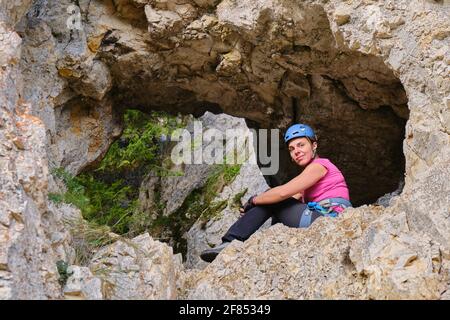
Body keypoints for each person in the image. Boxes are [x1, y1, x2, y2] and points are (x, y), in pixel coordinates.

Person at [200, 123, 352, 263]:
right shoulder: (308, 181)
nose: (296, 152)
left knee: (272, 199)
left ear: (314, 145)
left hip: (328, 219)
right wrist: (256, 204)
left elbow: (282, 193)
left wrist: (253, 200)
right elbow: (288, 197)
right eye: (292, 149)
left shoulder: (320, 165)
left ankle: (230, 241)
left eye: (301, 145)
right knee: (269, 199)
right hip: (320, 217)